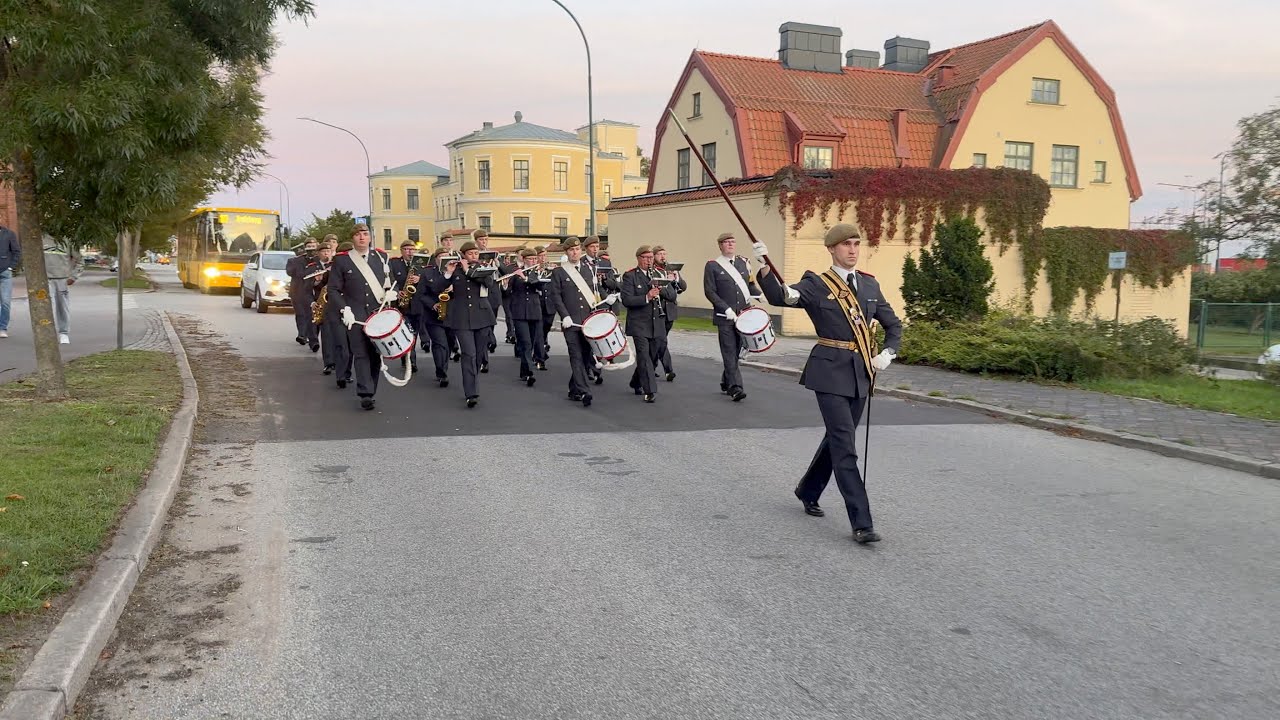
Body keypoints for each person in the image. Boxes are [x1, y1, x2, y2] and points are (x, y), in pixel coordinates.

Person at [756, 223, 902, 544]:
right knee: (845, 446)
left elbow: (893, 324)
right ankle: (861, 522)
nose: (853, 249)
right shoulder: (816, 285)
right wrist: (766, 271)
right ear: (832, 249)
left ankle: (808, 489)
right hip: (829, 371)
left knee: (838, 439)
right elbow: (784, 296)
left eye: (856, 243)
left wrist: (889, 353)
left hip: (861, 372)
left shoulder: (869, 285)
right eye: (846, 244)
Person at [328, 225, 392, 410]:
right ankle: (365, 393)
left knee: (375, 353)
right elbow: (333, 289)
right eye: (358, 235)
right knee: (360, 353)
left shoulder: (381, 258)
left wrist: (392, 294)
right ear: (353, 239)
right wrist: (344, 309)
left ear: (370, 237)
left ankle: (371, 388)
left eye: (365, 234)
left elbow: (391, 283)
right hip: (355, 316)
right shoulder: (343, 261)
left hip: (377, 314)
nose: (362, 238)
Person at [549, 237, 618, 407]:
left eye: (577, 249)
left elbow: (595, 291)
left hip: (588, 322)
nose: (575, 252)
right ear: (566, 252)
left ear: (581, 251)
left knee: (586, 356)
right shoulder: (559, 272)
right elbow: (556, 297)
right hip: (571, 322)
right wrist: (564, 315)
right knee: (576, 356)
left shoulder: (589, 270)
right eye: (571, 250)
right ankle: (584, 391)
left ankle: (573, 389)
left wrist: (606, 299)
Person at [429, 240, 498, 408]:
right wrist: (447, 274)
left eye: (476, 253)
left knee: (479, 355)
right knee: (469, 353)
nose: (474, 256)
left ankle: (472, 378)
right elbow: (436, 288)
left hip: (482, 317)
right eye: (470, 254)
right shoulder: (454, 270)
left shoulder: (483, 269)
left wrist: (469, 271)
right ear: (463, 255)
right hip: (461, 318)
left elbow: (489, 284)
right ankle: (471, 392)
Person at [703, 232, 760, 401]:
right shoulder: (712, 266)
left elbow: (750, 286)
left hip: (743, 315)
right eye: (726, 242)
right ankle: (735, 388)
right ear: (720, 245)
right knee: (729, 350)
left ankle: (725, 380)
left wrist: (760, 295)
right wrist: (725, 308)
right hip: (725, 316)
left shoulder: (744, 263)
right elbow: (709, 291)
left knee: (736, 351)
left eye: (732, 242)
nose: (730, 245)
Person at [621, 245, 678, 403]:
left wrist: (662, 288)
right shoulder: (630, 276)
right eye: (645, 258)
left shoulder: (659, 274)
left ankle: (636, 381)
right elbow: (626, 300)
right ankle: (650, 391)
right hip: (639, 323)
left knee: (652, 357)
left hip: (657, 322)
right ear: (639, 258)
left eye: (651, 258)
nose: (649, 261)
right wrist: (646, 296)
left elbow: (672, 296)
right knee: (644, 356)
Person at [505, 248, 546, 387]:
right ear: (524, 259)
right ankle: (529, 372)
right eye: (531, 259)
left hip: (534, 311)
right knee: (525, 342)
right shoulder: (515, 273)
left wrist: (525, 277)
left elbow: (539, 285)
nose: (534, 261)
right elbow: (508, 291)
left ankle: (524, 371)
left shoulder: (539, 272)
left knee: (531, 343)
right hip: (519, 312)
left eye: (535, 259)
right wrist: (505, 285)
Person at [416, 248, 454, 388]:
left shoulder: (456, 271)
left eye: (447, 256)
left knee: (449, 344)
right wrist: (433, 305)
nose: (445, 259)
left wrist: (454, 289)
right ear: (436, 258)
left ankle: (444, 366)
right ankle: (441, 372)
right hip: (433, 315)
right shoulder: (427, 273)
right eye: (442, 256)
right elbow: (421, 294)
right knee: (439, 344)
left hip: (452, 314)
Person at [652, 245, 686, 381]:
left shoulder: (671, 270)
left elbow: (682, 287)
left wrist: (676, 278)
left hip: (670, 310)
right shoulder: (652, 271)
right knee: (661, 340)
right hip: (658, 310)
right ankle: (668, 370)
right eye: (659, 254)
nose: (663, 256)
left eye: (664, 254)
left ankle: (651, 366)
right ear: (654, 256)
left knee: (659, 342)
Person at [388, 240, 422, 374]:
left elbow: (428, 279)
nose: (410, 252)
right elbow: (389, 279)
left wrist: (420, 279)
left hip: (417, 304)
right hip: (402, 304)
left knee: (415, 333)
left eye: (412, 249)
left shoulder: (420, 264)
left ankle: (406, 356)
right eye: (407, 249)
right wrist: (397, 291)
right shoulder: (394, 263)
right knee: (407, 332)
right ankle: (410, 360)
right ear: (402, 251)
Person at [43, 238, 83, 344]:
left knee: (62, 307)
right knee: (45, 307)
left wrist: (74, 277)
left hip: (62, 279)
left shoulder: (68, 240)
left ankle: (63, 333)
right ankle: (46, 334)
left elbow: (80, 260)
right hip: (44, 279)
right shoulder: (41, 237)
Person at [286, 237, 322, 350]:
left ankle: (312, 338)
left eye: (313, 247)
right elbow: (290, 272)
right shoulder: (295, 260)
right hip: (298, 291)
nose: (311, 249)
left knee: (312, 316)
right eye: (309, 247)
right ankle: (302, 335)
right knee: (301, 314)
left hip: (314, 292)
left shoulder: (318, 260)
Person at [0, 224, 19, 339]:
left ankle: (2, 328)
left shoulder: (9, 234)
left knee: (5, 302)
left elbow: (16, 251)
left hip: (5, 273)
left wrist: (11, 267)